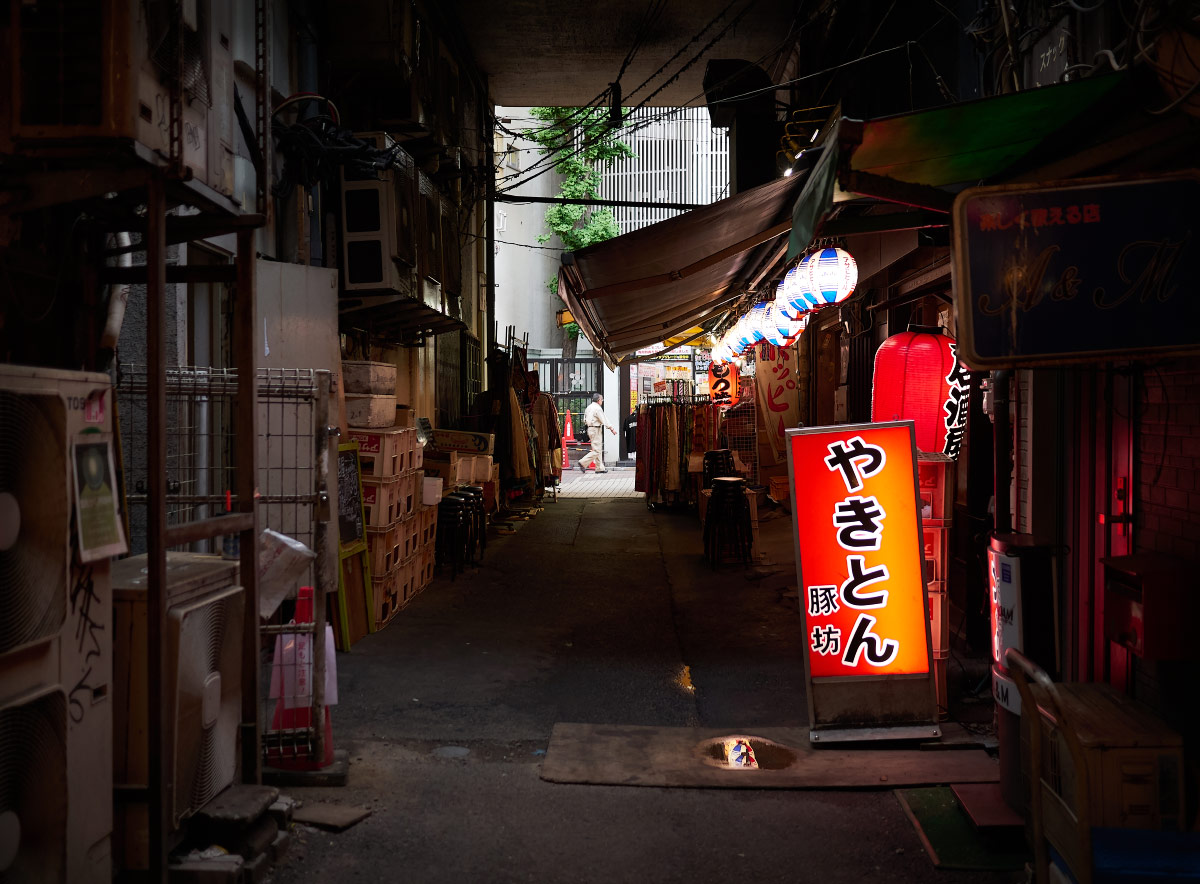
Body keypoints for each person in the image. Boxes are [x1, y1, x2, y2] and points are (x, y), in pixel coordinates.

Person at [577, 392, 616, 474]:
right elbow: (603, 419)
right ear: (599, 400)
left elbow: (584, 419)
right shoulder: (597, 408)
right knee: (597, 450)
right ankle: (583, 462)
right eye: (602, 400)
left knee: (597, 448)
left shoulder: (589, 407)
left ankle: (599, 467)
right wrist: (611, 428)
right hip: (596, 429)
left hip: (590, 429)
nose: (602, 401)